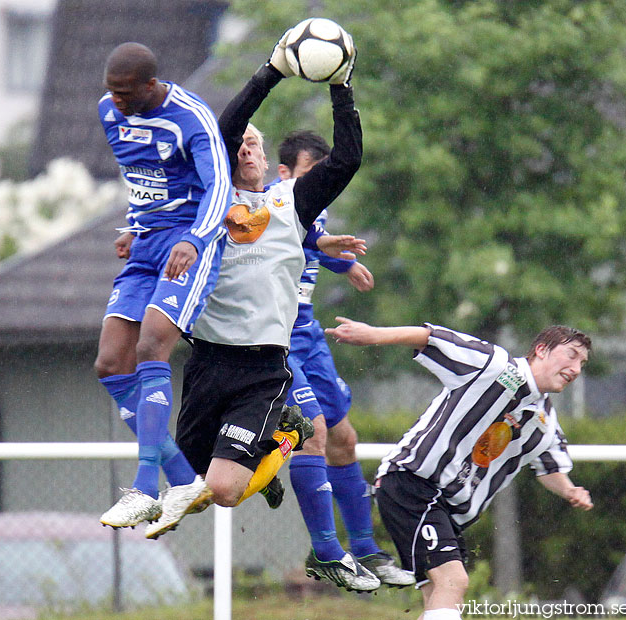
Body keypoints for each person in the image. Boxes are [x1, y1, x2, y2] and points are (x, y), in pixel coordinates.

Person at [146, 28, 368, 576]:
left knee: (223, 491)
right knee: (193, 481)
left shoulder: (292, 202)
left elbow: (345, 160)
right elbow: (222, 131)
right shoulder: (211, 200)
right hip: (207, 361)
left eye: (255, 145)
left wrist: (340, 86)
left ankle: (287, 431)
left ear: (269, 162)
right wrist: (269, 71)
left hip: (262, 365)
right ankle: (270, 457)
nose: (244, 148)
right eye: (238, 144)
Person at [326, 317, 594, 620]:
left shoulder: (544, 422)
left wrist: (570, 489)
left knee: (440, 595)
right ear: (541, 350)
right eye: (571, 355)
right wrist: (373, 334)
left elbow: (549, 467)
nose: (576, 369)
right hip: (412, 482)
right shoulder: (495, 366)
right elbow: (432, 337)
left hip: (446, 509)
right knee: (453, 581)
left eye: (583, 363)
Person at [94, 42, 232, 529]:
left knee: (152, 344)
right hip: (148, 241)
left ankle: (146, 488)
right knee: (111, 363)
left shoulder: (192, 117)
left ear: (151, 85)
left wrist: (195, 239)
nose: (117, 101)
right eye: (111, 91)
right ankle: (183, 477)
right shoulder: (109, 114)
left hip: (188, 242)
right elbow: (141, 178)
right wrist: (132, 224)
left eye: (126, 92)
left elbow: (220, 187)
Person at [275, 130, 415, 591]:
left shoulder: (315, 204)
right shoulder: (270, 202)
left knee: (344, 440)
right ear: (284, 174)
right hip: (272, 338)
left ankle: (368, 552)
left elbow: (313, 241)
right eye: (309, 174)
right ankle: (326, 552)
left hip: (308, 334)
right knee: (310, 433)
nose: (319, 184)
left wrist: (344, 264)